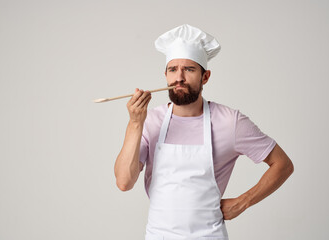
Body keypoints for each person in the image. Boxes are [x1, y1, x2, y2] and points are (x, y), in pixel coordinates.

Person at [114, 24, 294, 240]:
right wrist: (135, 123)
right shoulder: (149, 120)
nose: (179, 78)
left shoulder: (230, 122)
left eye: (189, 69)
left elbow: (283, 165)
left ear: (205, 76)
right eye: (173, 70)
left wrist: (243, 202)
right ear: (165, 76)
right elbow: (124, 182)